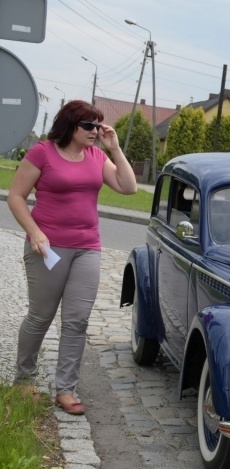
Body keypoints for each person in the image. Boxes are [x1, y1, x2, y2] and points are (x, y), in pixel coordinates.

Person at [7, 99, 137, 415]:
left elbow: (128, 187)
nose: (95, 131)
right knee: (41, 316)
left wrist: (115, 149)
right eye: (89, 125)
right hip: (47, 248)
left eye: (98, 125)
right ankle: (24, 379)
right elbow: (16, 197)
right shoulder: (43, 152)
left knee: (77, 320)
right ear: (70, 125)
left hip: (87, 247)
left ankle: (66, 389)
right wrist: (35, 232)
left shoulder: (96, 156)